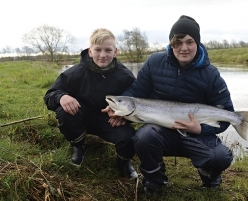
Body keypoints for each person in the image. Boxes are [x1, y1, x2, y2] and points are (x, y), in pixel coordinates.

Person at [106, 15, 234, 195]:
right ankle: (155, 179)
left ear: (197, 43)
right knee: (143, 137)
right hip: (161, 132)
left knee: (220, 157)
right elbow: (136, 91)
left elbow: (227, 116)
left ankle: (210, 174)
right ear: (171, 44)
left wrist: (201, 130)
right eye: (178, 42)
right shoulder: (154, 62)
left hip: (196, 135)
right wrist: (117, 107)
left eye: (189, 42)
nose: (184, 48)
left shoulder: (211, 75)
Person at [44, 28, 138, 179]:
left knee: (129, 136)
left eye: (108, 50)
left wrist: (124, 117)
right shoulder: (75, 73)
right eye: (98, 50)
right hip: (81, 117)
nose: (103, 55)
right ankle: (79, 147)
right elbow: (50, 95)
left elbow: (136, 102)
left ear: (115, 52)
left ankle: (124, 162)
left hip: (110, 120)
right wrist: (61, 97)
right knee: (64, 111)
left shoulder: (125, 76)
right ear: (89, 51)